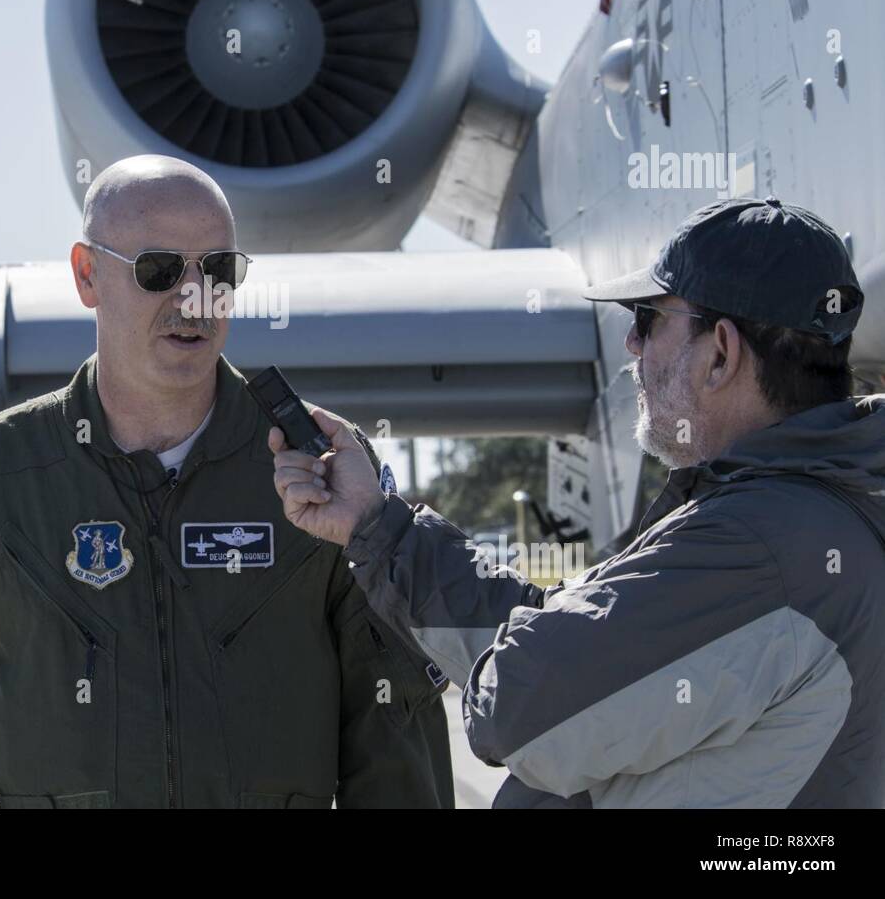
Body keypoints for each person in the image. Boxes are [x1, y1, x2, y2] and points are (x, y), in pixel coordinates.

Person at [0, 153, 453, 809]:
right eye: (159, 270)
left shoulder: (323, 473)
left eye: (217, 270)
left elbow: (393, 711)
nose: (192, 298)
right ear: (87, 274)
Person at [271, 197, 885, 807]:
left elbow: (523, 707)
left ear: (720, 353)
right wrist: (381, 527)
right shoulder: (810, 515)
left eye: (648, 319)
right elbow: (572, 641)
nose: (632, 345)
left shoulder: (759, 545)